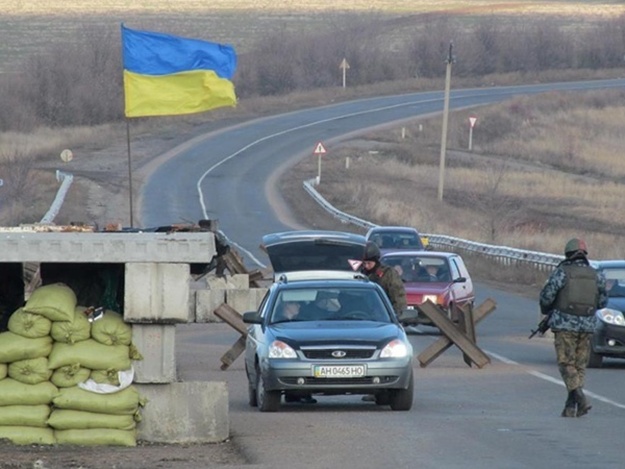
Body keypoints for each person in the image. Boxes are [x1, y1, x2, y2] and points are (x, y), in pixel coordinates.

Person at [539, 238, 607, 418]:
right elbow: (602, 302)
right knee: (579, 366)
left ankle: (580, 398)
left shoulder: (562, 272)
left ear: (568, 254)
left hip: (565, 325)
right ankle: (571, 407)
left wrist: (548, 311)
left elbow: (546, 298)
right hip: (588, 326)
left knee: (566, 364)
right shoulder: (596, 274)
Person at [360, 241, 407, 315]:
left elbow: (398, 296)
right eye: (364, 263)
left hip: (383, 314)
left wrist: (398, 314)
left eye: (369, 263)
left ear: (376, 261)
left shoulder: (388, 274)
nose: (366, 266)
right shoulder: (359, 274)